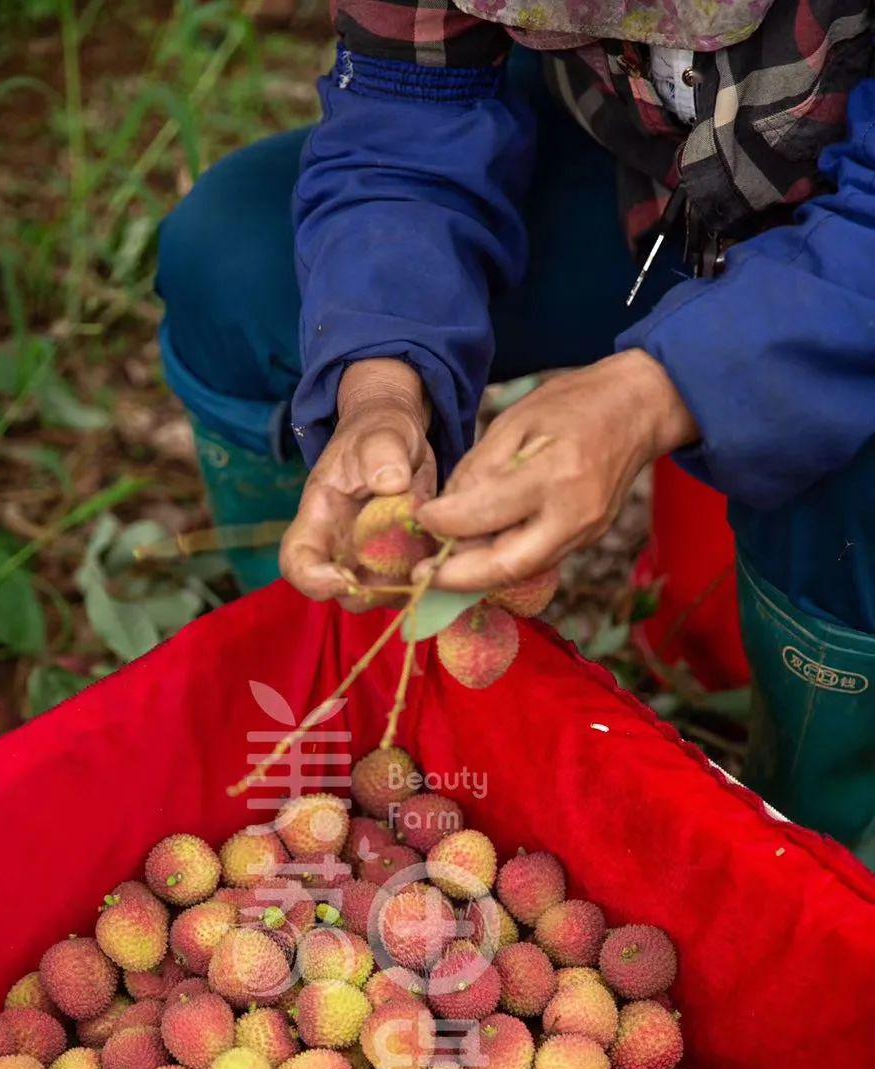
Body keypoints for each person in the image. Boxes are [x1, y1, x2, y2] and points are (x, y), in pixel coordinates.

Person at [156, 2, 875, 861]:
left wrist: (657, 394)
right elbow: (406, 119)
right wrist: (381, 384)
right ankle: (342, 702)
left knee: (850, 449)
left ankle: (821, 855)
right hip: (642, 172)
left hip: (847, 233)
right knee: (237, 260)